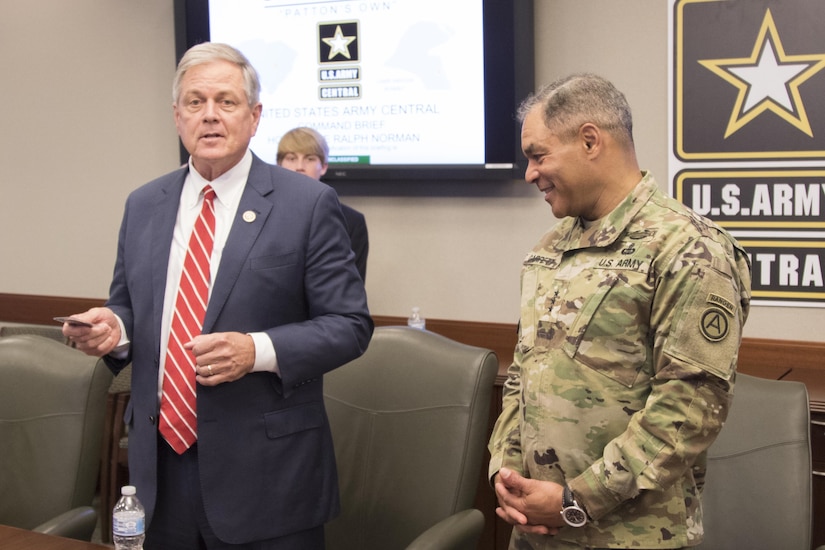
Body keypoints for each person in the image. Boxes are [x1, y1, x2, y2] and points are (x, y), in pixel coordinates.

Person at [62, 43, 373, 549]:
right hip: (159, 473)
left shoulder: (307, 204)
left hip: (267, 479)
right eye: (195, 102)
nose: (209, 115)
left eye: (226, 102)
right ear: (177, 116)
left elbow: (350, 325)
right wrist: (113, 329)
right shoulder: (144, 204)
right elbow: (128, 307)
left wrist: (257, 350)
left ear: (254, 117)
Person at [488, 73, 751, 549]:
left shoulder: (688, 248)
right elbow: (521, 375)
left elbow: (690, 407)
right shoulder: (549, 249)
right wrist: (504, 475)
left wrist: (575, 500)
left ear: (590, 140)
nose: (529, 173)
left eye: (537, 155)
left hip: (631, 538)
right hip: (535, 532)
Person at [276, 127, 369, 281]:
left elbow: (351, 289)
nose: (300, 166)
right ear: (279, 165)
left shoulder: (351, 222)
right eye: (291, 158)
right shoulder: (260, 214)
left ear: (324, 167)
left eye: (310, 158)